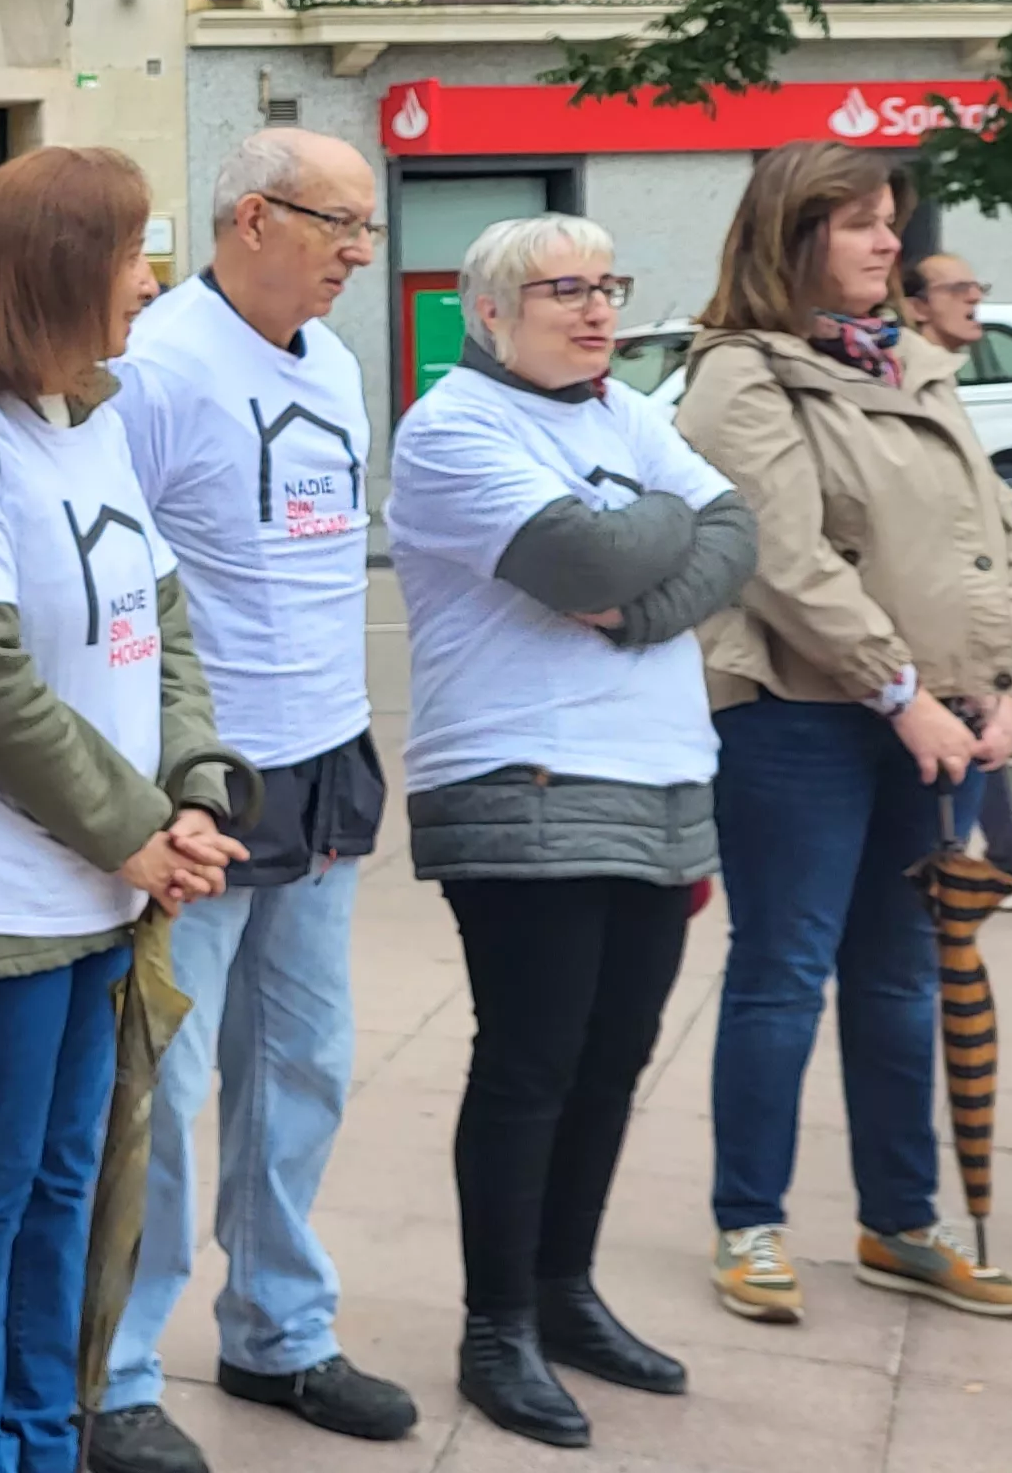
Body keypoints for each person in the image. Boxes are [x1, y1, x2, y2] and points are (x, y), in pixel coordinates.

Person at [0, 146, 246, 1473]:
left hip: (108, 877)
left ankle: (42, 1431)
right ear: (63, 268)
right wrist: (136, 828)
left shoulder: (93, 418)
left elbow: (160, 621)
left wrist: (190, 793)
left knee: (68, 1180)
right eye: (134, 254)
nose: (151, 280)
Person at [388, 214, 754, 1447]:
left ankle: (563, 1291)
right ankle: (496, 1326)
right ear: (489, 313)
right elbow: (580, 550)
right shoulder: (453, 427)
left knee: (612, 1058)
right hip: (524, 776)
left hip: (656, 776)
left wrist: (637, 608)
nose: (596, 312)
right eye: (563, 292)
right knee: (532, 1061)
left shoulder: (620, 414)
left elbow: (735, 530)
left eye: (607, 287)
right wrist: (658, 540)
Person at [670, 140, 1012, 1328]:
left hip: (932, 727)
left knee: (899, 980)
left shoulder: (909, 363)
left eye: (890, 222)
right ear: (792, 240)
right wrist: (902, 690)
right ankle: (749, 1225)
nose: (891, 243)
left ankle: (901, 1222)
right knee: (781, 975)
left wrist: (1000, 681)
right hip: (801, 721)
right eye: (860, 226)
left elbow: (992, 533)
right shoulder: (740, 377)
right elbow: (783, 562)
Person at [87, 131, 412, 1473]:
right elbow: (118, 586)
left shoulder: (331, 362)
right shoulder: (155, 371)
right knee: (162, 1082)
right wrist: (146, 789)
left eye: (365, 229)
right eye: (336, 223)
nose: (357, 252)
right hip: (208, 783)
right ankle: (110, 1371)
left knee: (305, 1068)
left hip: (325, 758)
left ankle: (279, 1328)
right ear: (249, 217)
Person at [900, 250, 1012, 902]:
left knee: (979, 726)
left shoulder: (946, 383)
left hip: (970, 621)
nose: (974, 298)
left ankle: (1002, 853)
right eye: (956, 287)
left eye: (976, 285)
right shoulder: (904, 388)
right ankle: (985, 859)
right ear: (916, 305)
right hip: (932, 625)